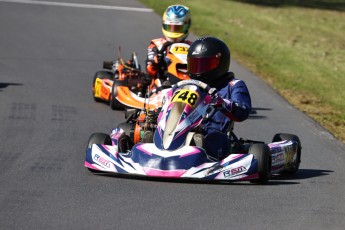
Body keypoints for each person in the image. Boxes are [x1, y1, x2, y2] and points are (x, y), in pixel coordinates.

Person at [187, 36, 252, 160]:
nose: (198, 71)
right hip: (185, 128)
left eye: (203, 65)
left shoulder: (233, 85)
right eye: (195, 64)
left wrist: (223, 103)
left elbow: (243, 110)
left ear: (220, 63)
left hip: (215, 133)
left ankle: (199, 149)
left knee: (213, 139)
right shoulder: (188, 85)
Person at [146, 5, 192, 88]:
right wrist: (156, 61)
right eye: (170, 27)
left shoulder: (192, 46)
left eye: (178, 28)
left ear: (187, 26)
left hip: (189, 83)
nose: (174, 31)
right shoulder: (156, 44)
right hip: (162, 85)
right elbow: (150, 70)